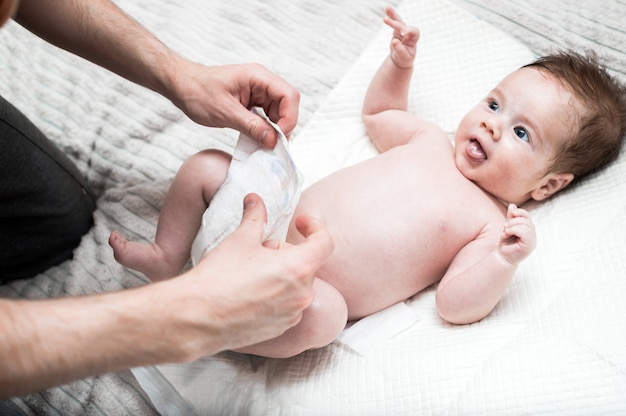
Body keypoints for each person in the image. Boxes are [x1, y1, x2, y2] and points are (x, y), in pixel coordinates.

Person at [110, 7, 626, 358]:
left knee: (327, 319)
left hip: (297, 291)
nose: (491, 123)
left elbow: (456, 303)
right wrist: (399, 64)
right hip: (267, 217)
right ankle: (165, 256)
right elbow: (380, 112)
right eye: (494, 103)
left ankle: (205, 327)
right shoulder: (429, 138)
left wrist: (504, 260)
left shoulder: (489, 226)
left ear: (548, 186)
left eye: (520, 132)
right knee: (207, 164)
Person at [0, 0, 334, 398]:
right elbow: (382, 112)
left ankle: (167, 257)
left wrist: (180, 75)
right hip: (275, 238)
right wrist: (194, 314)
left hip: (279, 226)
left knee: (198, 170)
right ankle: (201, 291)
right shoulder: (428, 144)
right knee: (323, 315)